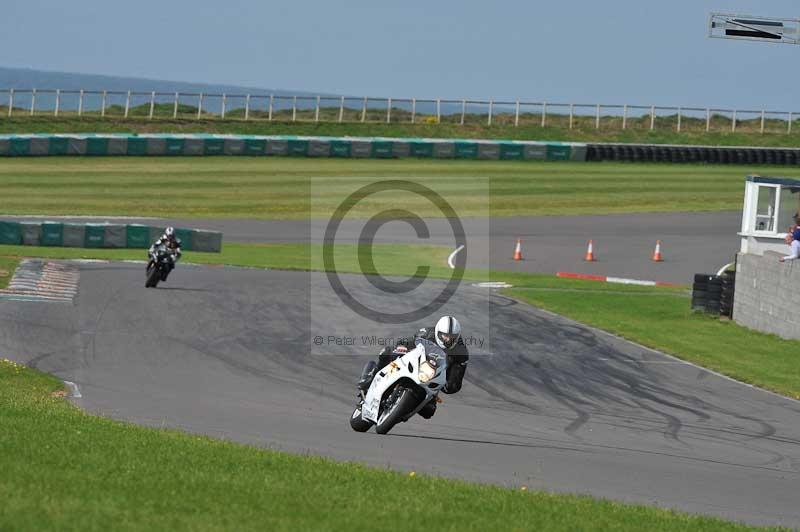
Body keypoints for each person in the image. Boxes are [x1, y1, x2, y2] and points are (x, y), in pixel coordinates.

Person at [358, 316, 469, 418]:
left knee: (429, 411)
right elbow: (408, 342)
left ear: (457, 337)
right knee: (386, 352)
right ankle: (370, 377)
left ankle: (402, 410)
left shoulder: (461, 352)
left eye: (451, 338)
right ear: (438, 332)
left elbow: (457, 379)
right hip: (416, 366)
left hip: (433, 379)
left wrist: (451, 385)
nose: (447, 340)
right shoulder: (427, 333)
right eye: (445, 336)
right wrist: (400, 348)